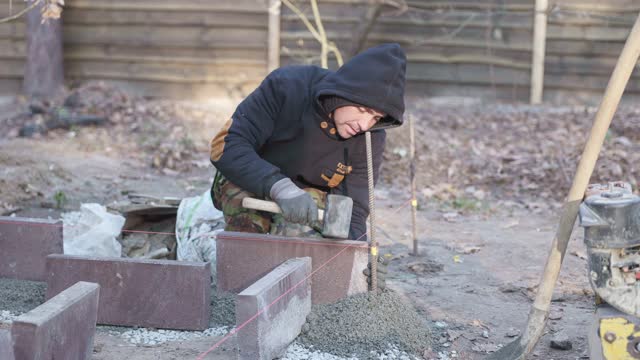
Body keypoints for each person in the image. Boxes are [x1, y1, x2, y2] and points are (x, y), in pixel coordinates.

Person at [209, 43, 406, 243]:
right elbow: (225, 145)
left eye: (375, 117)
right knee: (247, 234)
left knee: (300, 232)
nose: (365, 125)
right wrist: (280, 188)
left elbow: (354, 208)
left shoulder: (370, 137)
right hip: (252, 181)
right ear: (345, 92)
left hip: (308, 202)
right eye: (363, 111)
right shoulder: (287, 87)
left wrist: (359, 259)